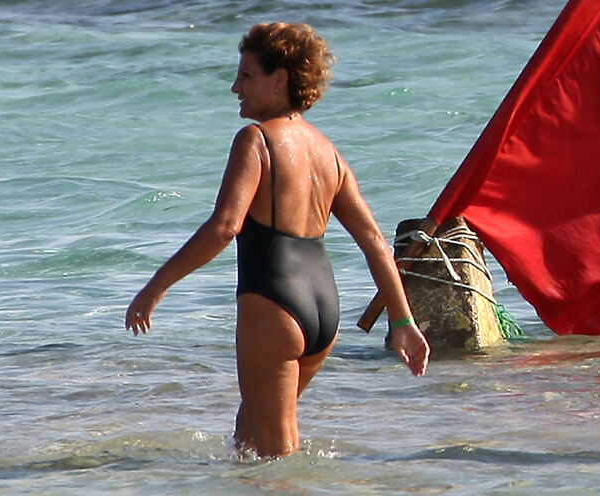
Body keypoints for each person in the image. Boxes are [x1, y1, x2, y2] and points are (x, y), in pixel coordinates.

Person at [126, 22, 430, 458]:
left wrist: (157, 285)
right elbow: (374, 240)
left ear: (279, 80)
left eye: (246, 75)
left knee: (276, 454)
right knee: (249, 430)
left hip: (275, 305)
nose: (235, 87)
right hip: (322, 309)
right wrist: (402, 322)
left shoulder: (256, 141)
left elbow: (225, 226)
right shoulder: (329, 153)